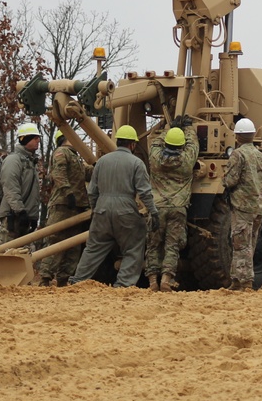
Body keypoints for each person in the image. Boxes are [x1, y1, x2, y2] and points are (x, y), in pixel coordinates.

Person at [68, 125, 158, 288]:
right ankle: (123, 285)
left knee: (93, 248)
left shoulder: (102, 161)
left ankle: (77, 281)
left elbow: (92, 191)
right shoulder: (136, 163)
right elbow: (144, 192)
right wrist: (153, 211)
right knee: (133, 246)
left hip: (102, 209)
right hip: (125, 210)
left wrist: (95, 211)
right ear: (132, 145)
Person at [144, 117, 199, 292]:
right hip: (178, 207)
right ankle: (166, 279)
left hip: (157, 207)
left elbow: (153, 142)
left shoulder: (155, 159)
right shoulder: (186, 161)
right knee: (172, 245)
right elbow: (193, 144)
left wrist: (168, 128)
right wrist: (188, 128)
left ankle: (153, 281)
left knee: (153, 244)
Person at [221, 117, 262, 290]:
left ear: (237, 137)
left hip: (242, 207)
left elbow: (231, 181)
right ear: (253, 134)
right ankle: (235, 280)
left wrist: (224, 180)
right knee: (249, 244)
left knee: (241, 245)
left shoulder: (238, 155)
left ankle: (246, 282)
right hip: (259, 208)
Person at [38, 128, 90, 287]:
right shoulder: (61, 152)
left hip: (77, 205)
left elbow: (87, 173)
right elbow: (58, 173)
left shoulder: (76, 158)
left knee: (72, 246)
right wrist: (68, 193)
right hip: (63, 204)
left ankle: (64, 277)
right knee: (56, 240)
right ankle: (45, 278)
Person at [0, 122, 42, 244]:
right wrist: (20, 211)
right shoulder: (13, 160)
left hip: (25, 218)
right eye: (35, 137)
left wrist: (32, 217)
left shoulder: (30, 162)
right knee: (8, 257)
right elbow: (10, 188)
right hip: (13, 218)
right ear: (25, 139)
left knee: (24, 258)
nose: (38, 140)